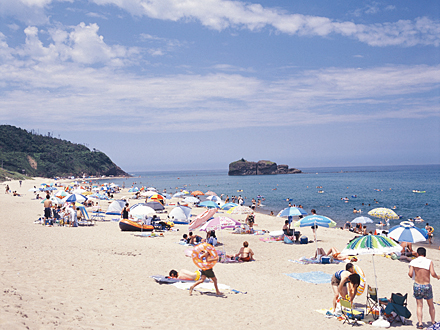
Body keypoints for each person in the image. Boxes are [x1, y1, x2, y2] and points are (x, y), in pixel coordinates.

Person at [408, 247, 440, 329]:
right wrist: (437, 277)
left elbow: (410, 274)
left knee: (419, 305)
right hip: (426, 285)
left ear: (417, 254)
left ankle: (420, 323)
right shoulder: (429, 262)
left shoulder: (413, 262)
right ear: (425, 254)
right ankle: (433, 321)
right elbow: (432, 273)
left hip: (417, 285)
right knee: (431, 305)